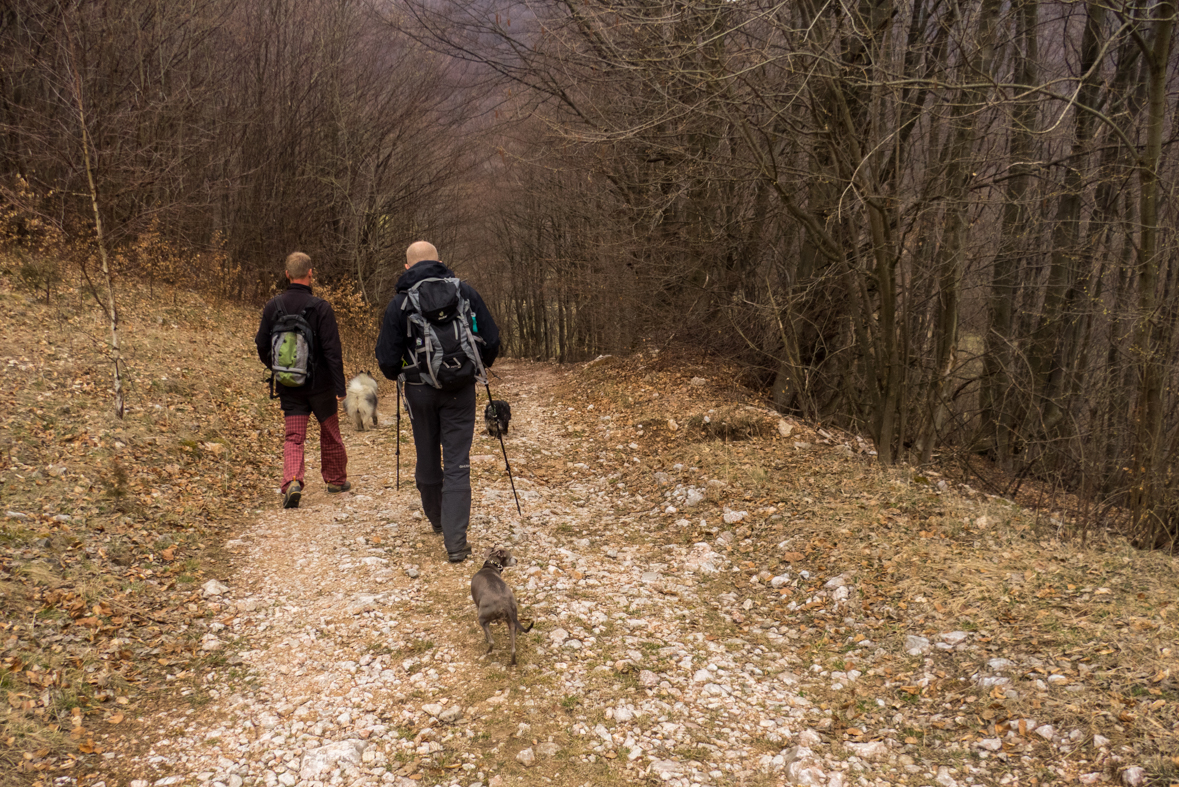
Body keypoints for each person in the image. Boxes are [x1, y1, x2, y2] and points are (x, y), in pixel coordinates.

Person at [375, 241, 500, 562]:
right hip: (461, 390)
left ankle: (437, 519)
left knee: (427, 456)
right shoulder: (465, 294)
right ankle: (456, 542)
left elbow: (387, 361)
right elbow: (492, 340)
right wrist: (474, 366)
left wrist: (406, 373)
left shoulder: (400, 303)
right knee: (457, 463)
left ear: (407, 267)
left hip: (419, 390)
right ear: (440, 262)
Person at [255, 252, 350, 508]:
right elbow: (332, 351)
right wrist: (339, 387)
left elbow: (262, 344)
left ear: (287, 274)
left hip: (289, 384)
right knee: (330, 432)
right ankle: (335, 480)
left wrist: (279, 369)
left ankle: (293, 481)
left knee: (294, 436)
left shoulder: (273, 306)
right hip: (321, 386)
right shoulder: (321, 307)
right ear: (311, 273)